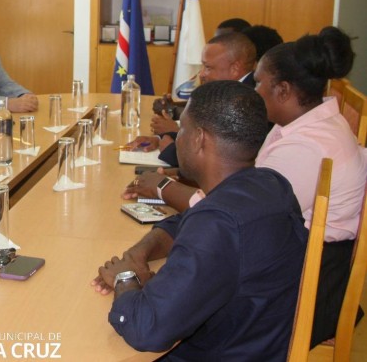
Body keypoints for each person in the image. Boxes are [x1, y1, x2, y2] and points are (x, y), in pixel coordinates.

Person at [92, 81, 307, 360]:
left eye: (181, 129)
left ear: (198, 139)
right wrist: (139, 253)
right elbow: (187, 221)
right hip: (260, 343)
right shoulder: (270, 183)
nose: (178, 138)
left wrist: (124, 278)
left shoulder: (218, 223)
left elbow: (146, 329)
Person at [254, 26, 367, 346]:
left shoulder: (306, 147)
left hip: (307, 290)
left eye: (259, 82)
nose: (254, 89)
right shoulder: (310, 123)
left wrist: (168, 190)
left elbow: (250, 218)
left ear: (284, 90)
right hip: (306, 266)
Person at [135, 32, 258, 165]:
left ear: (235, 68)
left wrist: (172, 144)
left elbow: (220, 162)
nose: (202, 74)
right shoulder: (227, 90)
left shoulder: (249, 101)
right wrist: (160, 140)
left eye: (208, 67)